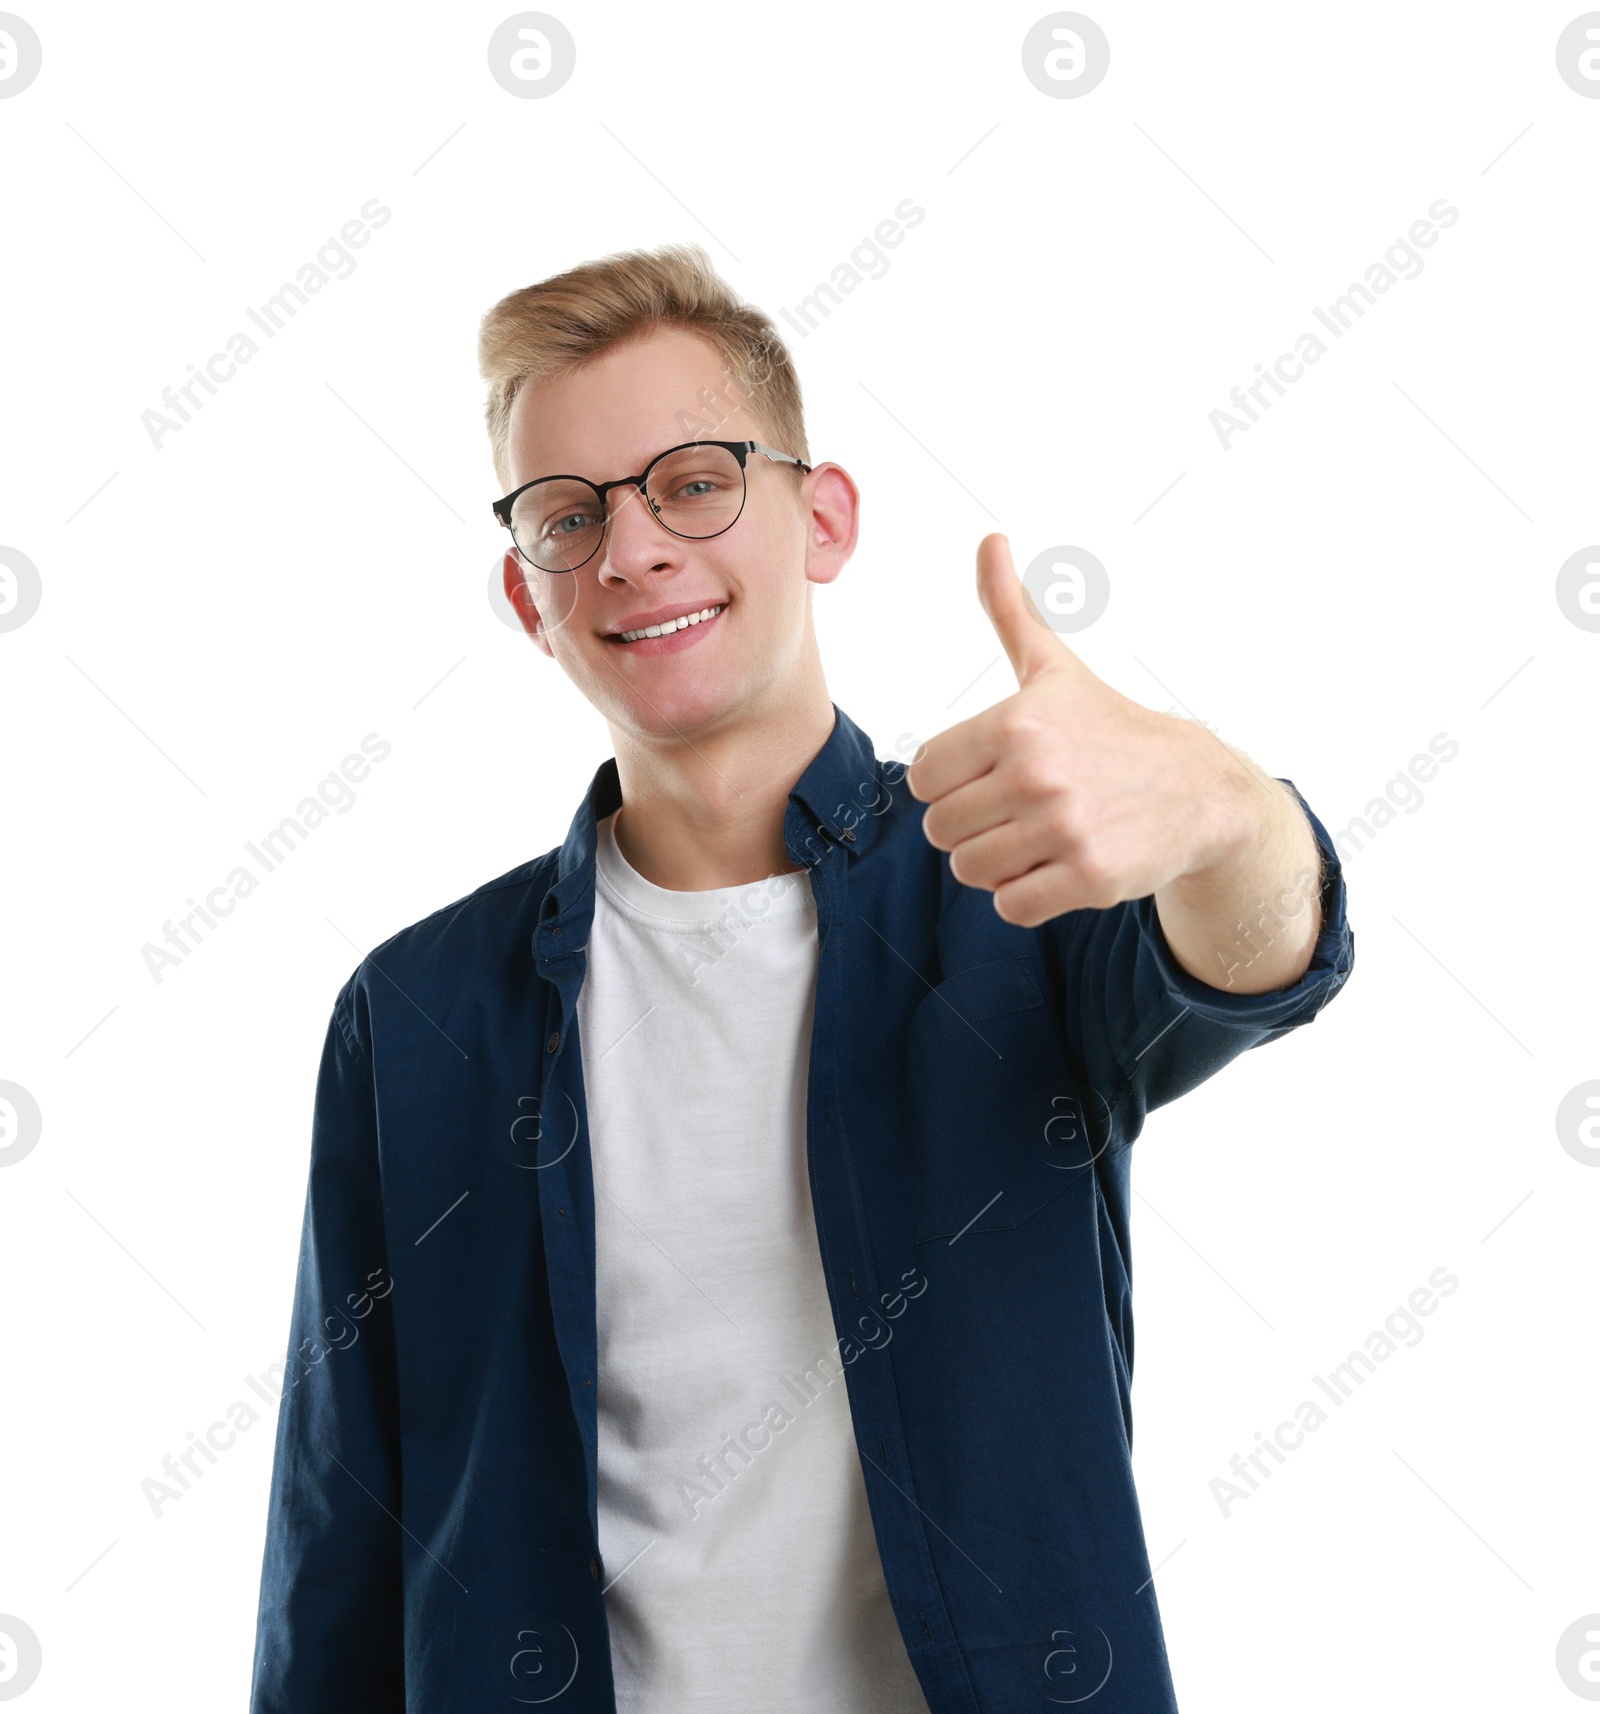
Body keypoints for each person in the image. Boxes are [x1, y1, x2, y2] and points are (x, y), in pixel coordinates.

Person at [249, 242, 1354, 1713]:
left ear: (822, 518)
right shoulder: (418, 1013)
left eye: (693, 481)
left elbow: (1262, 958)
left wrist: (1227, 808)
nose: (631, 549)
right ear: (528, 594)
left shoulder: (1008, 885)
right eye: (567, 517)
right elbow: (341, 1532)